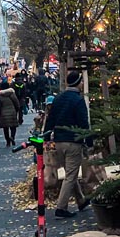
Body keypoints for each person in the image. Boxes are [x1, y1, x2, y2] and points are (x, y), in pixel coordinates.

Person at [43, 70, 90, 218]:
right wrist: (89, 140)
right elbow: (83, 122)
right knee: (71, 175)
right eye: (81, 81)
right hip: (73, 141)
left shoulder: (59, 98)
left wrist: (46, 136)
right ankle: (61, 207)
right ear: (77, 83)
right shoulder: (78, 100)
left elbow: (51, 119)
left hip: (59, 141)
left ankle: (81, 200)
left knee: (71, 172)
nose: (83, 84)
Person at [0, 81, 22, 147]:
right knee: (13, 126)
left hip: (3, 113)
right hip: (12, 111)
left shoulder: (0, 95)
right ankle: (12, 137)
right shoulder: (11, 93)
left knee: (5, 128)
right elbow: (16, 103)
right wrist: (16, 109)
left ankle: (8, 141)